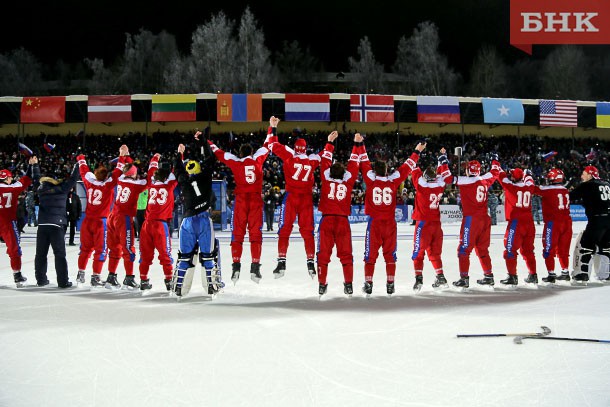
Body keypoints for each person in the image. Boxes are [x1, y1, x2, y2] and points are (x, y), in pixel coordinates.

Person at [359, 139, 426, 295]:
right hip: (390, 223)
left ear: (375, 171)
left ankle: (368, 283)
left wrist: (360, 145)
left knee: (370, 255)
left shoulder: (371, 179)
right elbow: (407, 166)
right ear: (387, 170)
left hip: (374, 223)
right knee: (390, 255)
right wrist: (417, 151)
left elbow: (364, 162)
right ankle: (390, 283)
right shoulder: (393, 180)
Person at [266, 116, 328, 278]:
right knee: (308, 232)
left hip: (292, 196)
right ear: (306, 148)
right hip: (306, 198)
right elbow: (324, 154)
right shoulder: (311, 159)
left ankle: (281, 262)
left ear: (295, 147)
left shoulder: (289, 154)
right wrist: (330, 142)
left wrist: (273, 128)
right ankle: (310, 264)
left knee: (284, 229)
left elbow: (272, 144)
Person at [208, 127, 270, 284]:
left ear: (241, 153)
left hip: (241, 200)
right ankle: (255, 267)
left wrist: (207, 140)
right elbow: (268, 144)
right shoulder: (257, 159)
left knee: (237, 234)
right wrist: (272, 128)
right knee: (255, 235)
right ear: (251, 152)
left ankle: (236, 266)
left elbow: (219, 153)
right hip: (255, 200)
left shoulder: (236, 161)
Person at [171, 130, 223, 297]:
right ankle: (212, 287)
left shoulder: (183, 181)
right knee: (208, 256)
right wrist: (202, 142)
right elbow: (211, 159)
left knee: (184, 257)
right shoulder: (205, 176)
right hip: (203, 220)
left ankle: (178, 288)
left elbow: (177, 169)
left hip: (186, 221)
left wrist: (179, 153)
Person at [75, 146, 128, 287]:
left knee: (85, 249)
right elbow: (118, 172)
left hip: (87, 221)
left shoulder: (89, 182)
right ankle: (95, 277)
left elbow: (83, 170)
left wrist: (80, 157)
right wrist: (122, 155)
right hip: (101, 222)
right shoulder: (108, 185)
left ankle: (80, 274)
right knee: (101, 250)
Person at [316, 131, 360, 296]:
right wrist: (356, 145)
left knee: (323, 255)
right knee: (346, 255)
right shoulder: (348, 181)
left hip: (327, 220)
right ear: (343, 174)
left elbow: (325, 161)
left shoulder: (326, 179)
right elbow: (354, 164)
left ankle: (322, 285)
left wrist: (330, 142)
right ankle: (348, 285)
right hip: (342, 221)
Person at [448, 156, 501, 288]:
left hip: (471, 219)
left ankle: (464, 278)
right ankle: (488, 276)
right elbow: (496, 171)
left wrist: (443, 161)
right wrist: (495, 159)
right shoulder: (486, 179)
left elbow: (447, 178)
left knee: (464, 250)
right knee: (482, 249)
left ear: (468, 170)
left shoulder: (465, 181)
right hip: (484, 218)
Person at [105, 150, 148, 290]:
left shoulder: (121, 178)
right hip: (124, 219)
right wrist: (153, 162)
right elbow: (150, 179)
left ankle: (111, 277)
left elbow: (126, 167)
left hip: (112, 216)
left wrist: (124, 155)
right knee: (128, 249)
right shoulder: (137, 184)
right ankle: (129, 278)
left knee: (114, 248)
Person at [410, 148, 452, 291]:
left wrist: (417, 152)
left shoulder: (421, 185)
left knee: (418, 252)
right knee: (434, 253)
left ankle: (419, 279)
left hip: (423, 224)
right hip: (436, 224)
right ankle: (440, 276)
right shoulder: (440, 185)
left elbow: (413, 167)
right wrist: (442, 157)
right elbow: (442, 174)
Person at [34, 163, 80, 288]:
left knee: (40, 254)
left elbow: (36, 179)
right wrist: (78, 164)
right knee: (59, 254)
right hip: (57, 225)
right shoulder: (62, 189)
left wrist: (35, 166)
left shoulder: (41, 190)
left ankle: (41, 280)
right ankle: (63, 281)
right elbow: (74, 178)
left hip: (43, 224)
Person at [139, 154, 178, 292]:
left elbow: (151, 170)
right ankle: (169, 281)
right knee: (165, 254)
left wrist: (155, 158)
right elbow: (176, 172)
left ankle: (143, 280)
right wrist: (179, 154)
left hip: (146, 224)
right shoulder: (169, 186)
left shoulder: (150, 185)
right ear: (165, 178)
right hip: (160, 225)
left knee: (145, 255)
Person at [0, 157, 38, 287]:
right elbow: (26, 179)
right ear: (8, 179)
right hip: (7, 222)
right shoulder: (13, 188)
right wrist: (30, 166)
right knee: (14, 249)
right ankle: (17, 275)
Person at [569, 165, 610, 282]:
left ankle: (582, 274)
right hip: (608, 220)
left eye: (584, 173)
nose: (582, 176)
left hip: (597, 220)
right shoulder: (606, 184)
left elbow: (569, 196)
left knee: (585, 246)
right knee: (606, 247)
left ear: (590, 174)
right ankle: (606, 274)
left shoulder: (587, 185)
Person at [497, 167, 537, 285]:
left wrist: (497, 165)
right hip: (529, 222)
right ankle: (533, 274)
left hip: (516, 222)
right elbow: (530, 178)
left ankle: (512, 276)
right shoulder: (529, 186)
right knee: (528, 250)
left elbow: (501, 176)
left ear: (514, 177)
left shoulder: (511, 186)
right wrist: (527, 174)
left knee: (510, 249)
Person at [534, 168, 573, 283]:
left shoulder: (547, 190)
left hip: (553, 223)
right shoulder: (565, 189)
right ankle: (565, 272)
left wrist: (529, 179)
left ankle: (551, 273)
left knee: (548, 249)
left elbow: (533, 189)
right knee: (563, 249)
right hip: (567, 222)